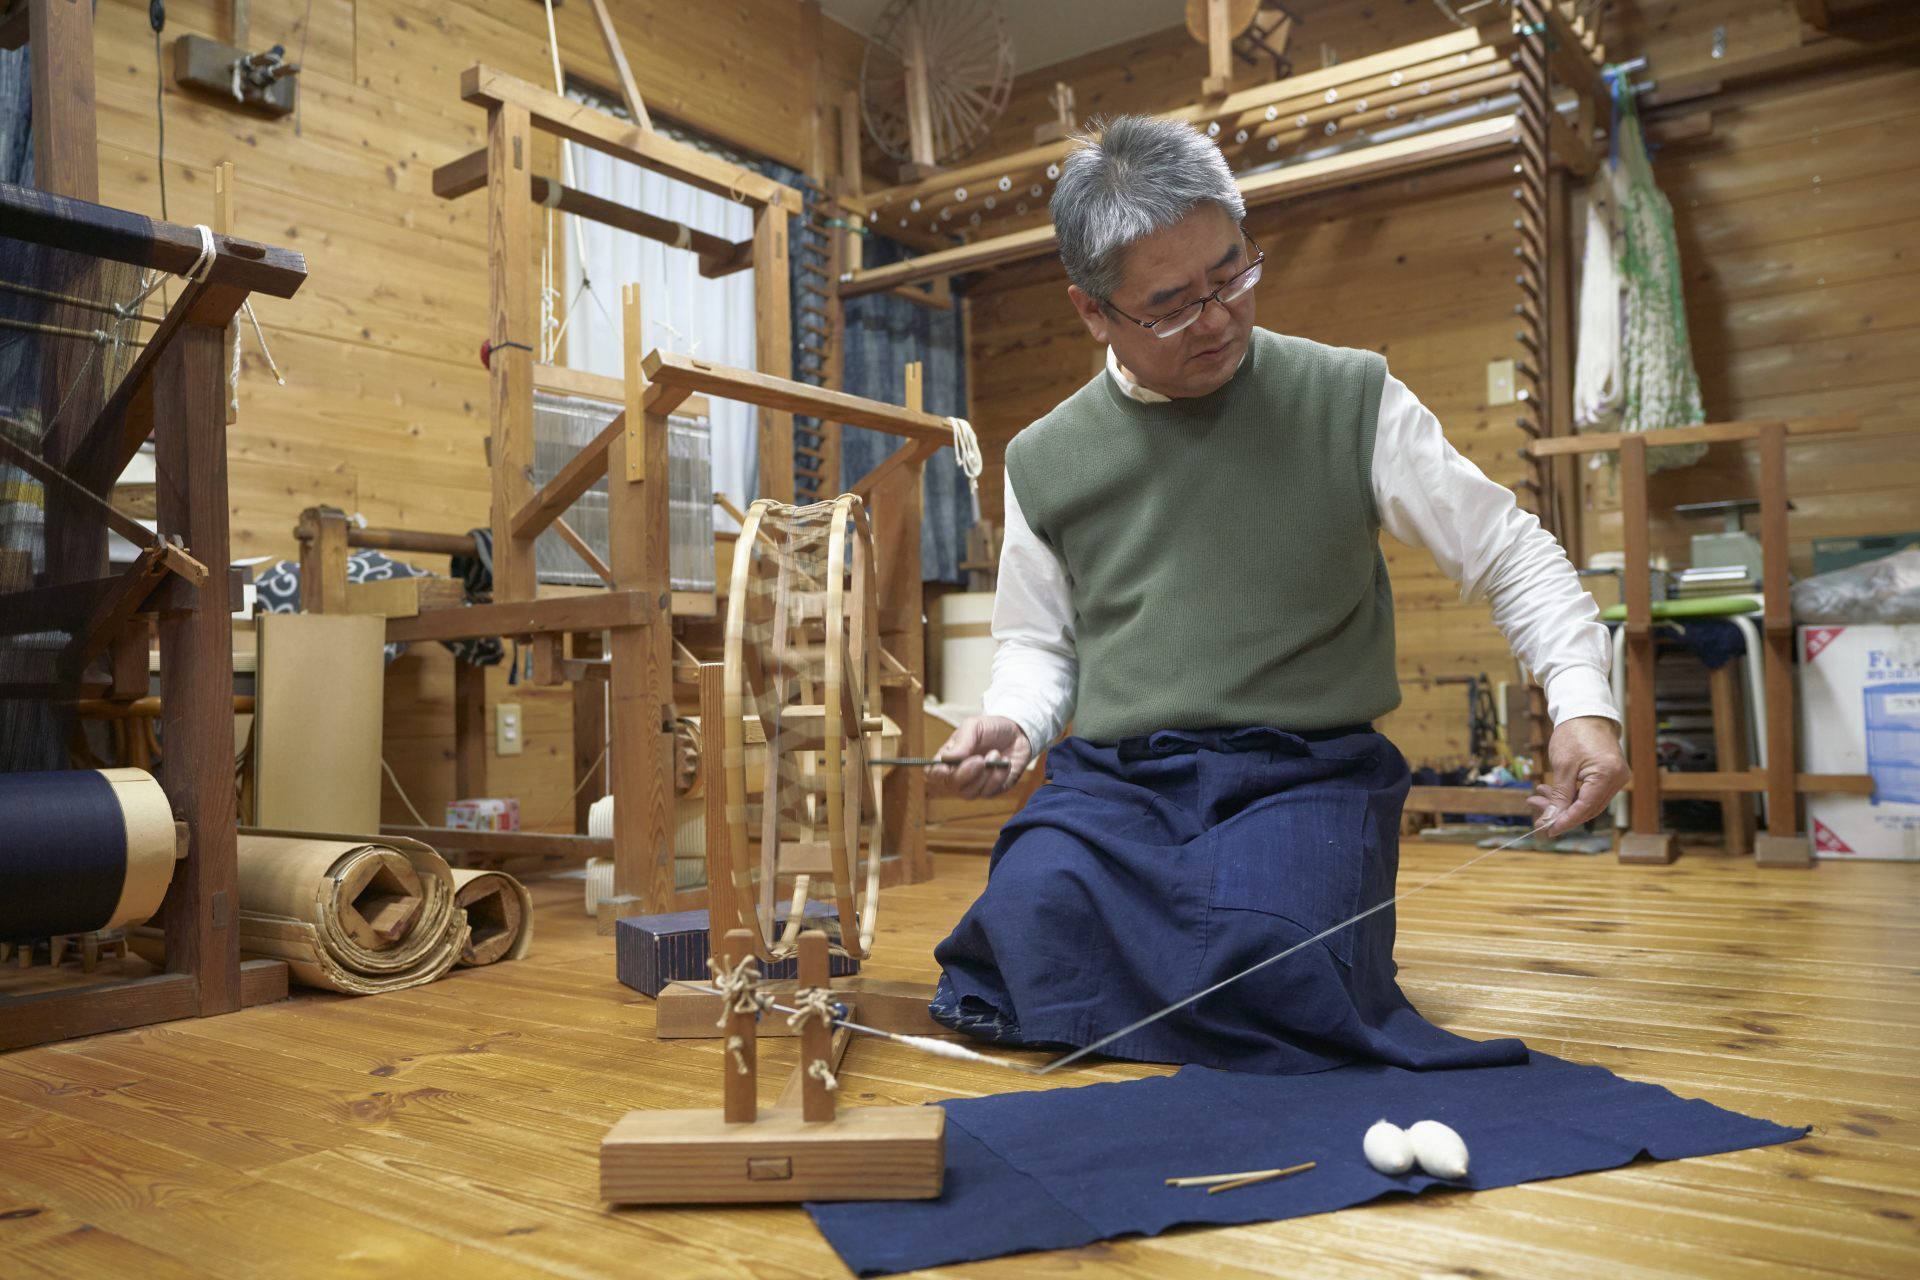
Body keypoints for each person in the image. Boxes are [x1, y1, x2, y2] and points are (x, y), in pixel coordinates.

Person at [924, 115, 1628, 1075]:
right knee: (1025, 922)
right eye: (1171, 306)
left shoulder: (1349, 398)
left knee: (1273, 946)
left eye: (1232, 275)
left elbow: (1510, 552)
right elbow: (1040, 645)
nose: (1216, 318)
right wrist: (1012, 722)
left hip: (1307, 771)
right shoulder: (1047, 458)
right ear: (1094, 312)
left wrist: (1584, 704)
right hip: (1121, 786)